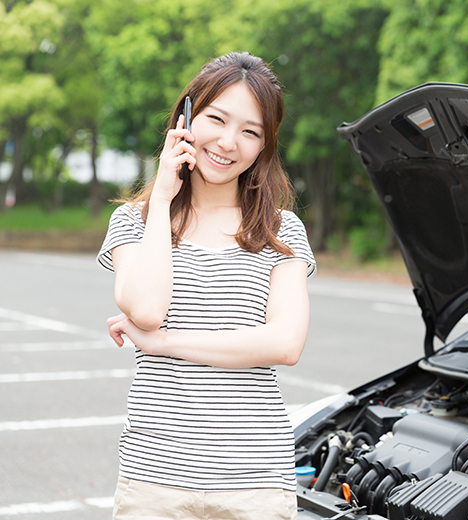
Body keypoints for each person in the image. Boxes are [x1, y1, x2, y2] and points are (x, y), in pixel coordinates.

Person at [97, 51, 315, 520]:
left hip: (254, 483)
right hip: (155, 481)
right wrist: (161, 195)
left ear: (264, 146)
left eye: (251, 131)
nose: (228, 141)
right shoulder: (133, 223)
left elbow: (285, 342)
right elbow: (147, 309)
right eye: (216, 119)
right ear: (185, 119)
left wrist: (163, 344)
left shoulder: (282, 232)